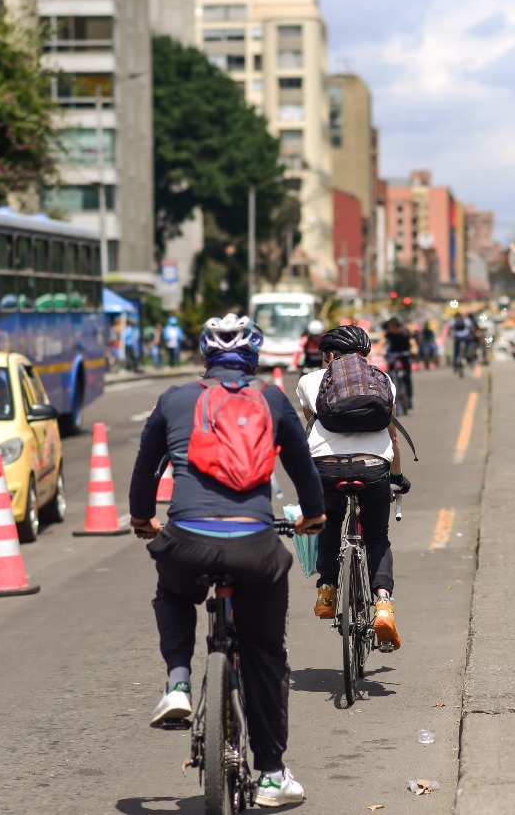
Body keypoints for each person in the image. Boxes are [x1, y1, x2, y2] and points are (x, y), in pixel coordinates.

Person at [130, 314, 326, 807]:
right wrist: (314, 517)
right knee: (264, 654)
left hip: (186, 542)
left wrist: (142, 520)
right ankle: (272, 775)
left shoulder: (174, 399)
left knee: (172, 590)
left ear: (205, 356)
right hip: (255, 549)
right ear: (254, 357)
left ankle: (177, 682)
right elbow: (302, 469)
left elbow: (144, 470)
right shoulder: (272, 399)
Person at [296, 326, 410, 652]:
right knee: (377, 537)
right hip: (374, 468)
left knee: (329, 522)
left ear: (328, 355)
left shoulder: (309, 381)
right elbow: (393, 437)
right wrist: (397, 477)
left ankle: (328, 589)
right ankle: (383, 604)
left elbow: (310, 425)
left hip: (326, 469)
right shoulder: (384, 380)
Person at [383, 318, 415, 412]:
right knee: (389, 377)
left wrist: (414, 349)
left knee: (407, 377)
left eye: (391, 327)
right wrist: (377, 351)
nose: (390, 329)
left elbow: (412, 342)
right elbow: (382, 342)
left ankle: (408, 398)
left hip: (404, 356)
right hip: (393, 356)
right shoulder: (389, 334)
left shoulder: (405, 333)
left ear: (396, 326)